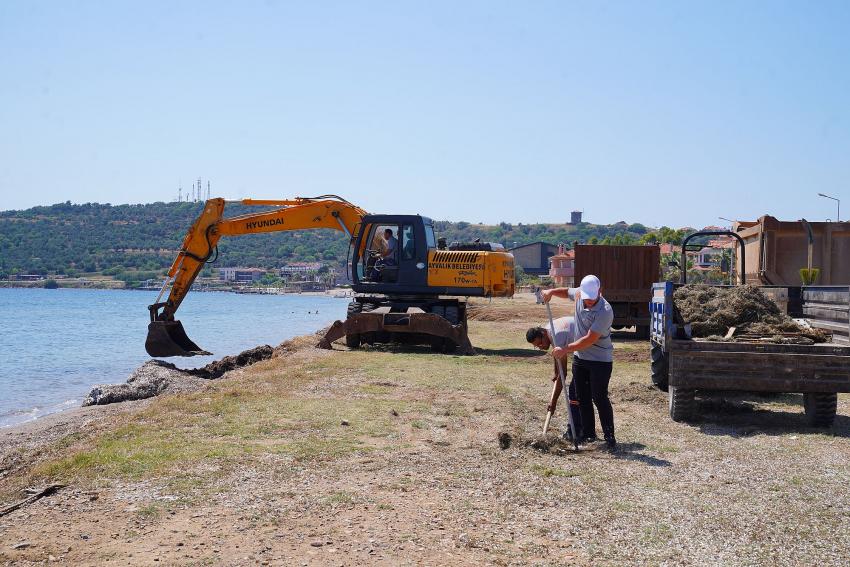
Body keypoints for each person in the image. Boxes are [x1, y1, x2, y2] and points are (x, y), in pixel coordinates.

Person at [542, 275, 616, 450]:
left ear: (600, 291)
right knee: (582, 397)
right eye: (586, 299)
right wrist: (550, 291)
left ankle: (609, 436)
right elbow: (565, 291)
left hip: (600, 360)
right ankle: (588, 434)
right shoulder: (579, 294)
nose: (588, 302)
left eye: (592, 299)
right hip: (581, 359)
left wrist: (565, 349)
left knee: (599, 396)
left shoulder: (605, 311)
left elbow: (589, 340)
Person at [526, 317, 582, 441]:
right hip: (583, 347)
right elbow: (557, 355)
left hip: (592, 348)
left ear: (543, 334)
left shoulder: (557, 337)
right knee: (578, 392)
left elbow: (563, 375)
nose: (540, 347)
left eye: (540, 343)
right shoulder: (548, 330)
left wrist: (554, 402)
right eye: (537, 346)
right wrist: (555, 372)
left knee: (575, 393)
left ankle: (577, 430)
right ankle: (581, 429)